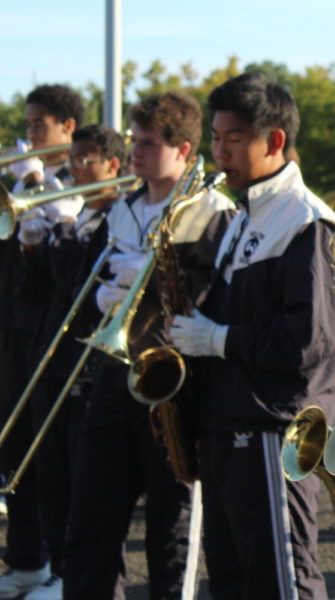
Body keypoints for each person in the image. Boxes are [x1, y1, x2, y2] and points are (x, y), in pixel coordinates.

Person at [168, 71, 335, 600]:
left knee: (281, 580)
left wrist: (217, 339)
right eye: (216, 138)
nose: (219, 152)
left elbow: (307, 342)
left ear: (275, 142)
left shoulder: (305, 220)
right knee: (233, 582)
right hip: (225, 422)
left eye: (234, 139)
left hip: (270, 427)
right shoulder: (241, 215)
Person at [63, 91, 234, 600]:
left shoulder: (209, 211)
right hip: (113, 376)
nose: (134, 153)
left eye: (147, 143)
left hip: (174, 385)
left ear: (182, 148)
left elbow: (216, 296)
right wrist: (99, 294)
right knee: (89, 524)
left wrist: (160, 279)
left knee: (170, 531)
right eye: (134, 141)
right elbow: (84, 279)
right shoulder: (123, 209)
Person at [12, 125, 128, 600]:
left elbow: (84, 293)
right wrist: (34, 245)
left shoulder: (115, 218)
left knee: (86, 487)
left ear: (113, 166)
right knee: (52, 477)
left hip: (88, 368)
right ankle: (60, 573)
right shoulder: (78, 221)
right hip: (52, 359)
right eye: (75, 158)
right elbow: (40, 294)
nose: (78, 168)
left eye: (88, 160)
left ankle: (77, 579)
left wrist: (62, 231)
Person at [0, 84, 84, 600]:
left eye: (38, 125)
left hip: (54, 335)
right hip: (15, 326)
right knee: (17, 450)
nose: (29, 134)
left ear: (67, 128)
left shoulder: (78, 179)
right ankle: (28, 559)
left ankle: (58, 565)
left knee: (54, 455)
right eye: (28, 125)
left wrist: (34, 183)